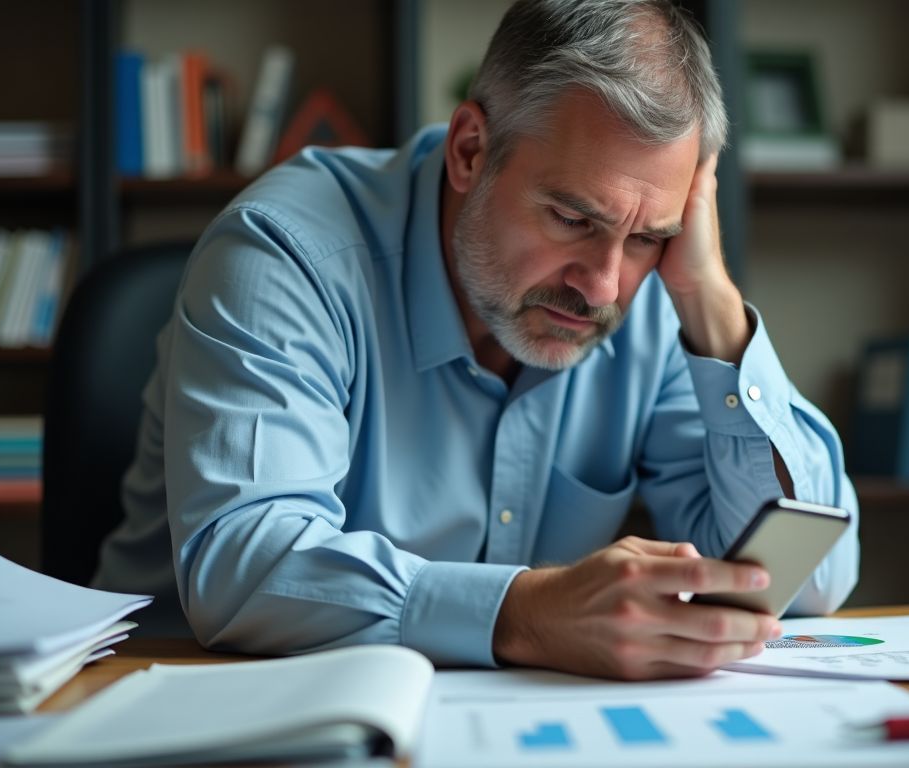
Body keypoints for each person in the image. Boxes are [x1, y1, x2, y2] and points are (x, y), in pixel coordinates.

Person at [94, 0, 859, 681]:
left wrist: (712, 304)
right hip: (191, 700)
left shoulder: (653, 298)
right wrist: (525, 611)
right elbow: (243, 563)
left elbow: (809, 575)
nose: (601, 286)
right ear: (469, 150)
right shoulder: (287, 255)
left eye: (648, 237)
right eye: (572, 218)